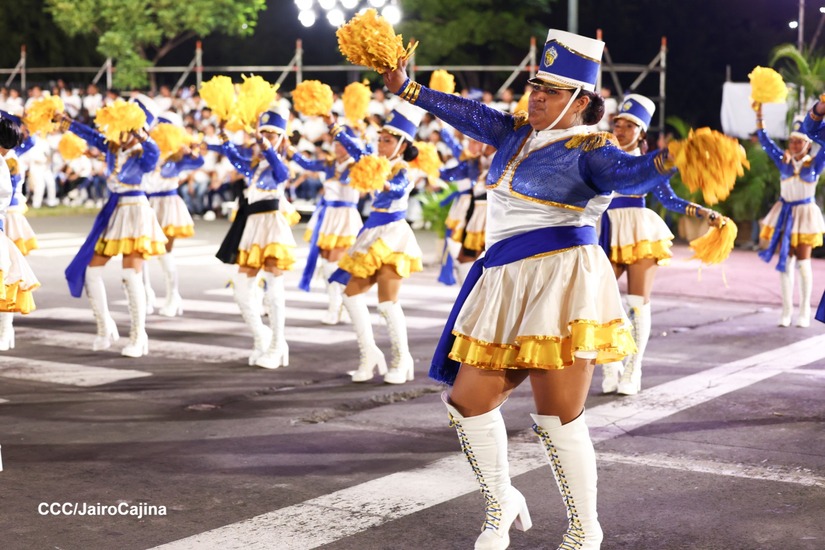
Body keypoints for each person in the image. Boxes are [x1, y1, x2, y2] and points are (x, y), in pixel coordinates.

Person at [383, 29, 707, 549]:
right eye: (535, 87)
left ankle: (584, 528)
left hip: (561, 284)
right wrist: (407, 87)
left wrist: (672, 160)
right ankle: (501, 501)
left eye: (550, 91)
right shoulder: (513, 131)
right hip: (503, 281)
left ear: (580, 102)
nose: (535, 97)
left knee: (558, 416)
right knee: (467, 402)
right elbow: (466, 112)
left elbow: (632, 174)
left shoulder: (593, 148)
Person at [599, 94, 723, 395]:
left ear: (641, 132)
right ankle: (611, 364)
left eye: (629, 126)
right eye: (618, 124)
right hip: (605, 228)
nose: (621, 130)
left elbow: (669, 199)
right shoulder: (601, 155)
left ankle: (634, 368)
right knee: (602, 300)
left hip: (639, 231)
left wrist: (703, 212)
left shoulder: (651, 163)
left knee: (637, 303)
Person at [62, 95, 166, 358]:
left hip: (136, 212)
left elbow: (154, 155)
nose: (120, 131)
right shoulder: (112, 146)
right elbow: (91, 135)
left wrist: (141, 134)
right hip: (115, 211)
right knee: (91, 272)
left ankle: (138, 335)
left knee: (131, 275)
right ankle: (104, 327)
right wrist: (68, 123)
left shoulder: (143, 152)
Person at [329, 102, 424, 384]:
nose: (381, 145)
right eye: (380, 139)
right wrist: (333, 125)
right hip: (372, 232)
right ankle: (369, 354)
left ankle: (402, 359)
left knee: (387, 303)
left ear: (402, 146)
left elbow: (397, 189)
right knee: (350, 295)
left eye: (387, 141)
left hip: (393, 237)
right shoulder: (376, 161)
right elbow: (356, 150)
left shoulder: (403, 170)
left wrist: (382, 181)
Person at [214, 108, 295, 370]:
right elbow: (233, 156)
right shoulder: (254, 166)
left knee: (274, 287)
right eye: (263, 133)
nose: (266, 138)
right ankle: (262, 336)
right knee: (241, 289)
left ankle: (277, 345)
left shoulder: (279, 164)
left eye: (272, 134)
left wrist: (263, 144)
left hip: (272, 224)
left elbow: (281, 171)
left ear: (282, 138)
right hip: (251, 226)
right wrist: (222, 132)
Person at [757, 103, 825, 328]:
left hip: (805, 215)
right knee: (785, 262)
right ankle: (786, 310)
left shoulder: (815, 163)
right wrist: (759, 115)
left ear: (808, 144)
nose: (795, 145)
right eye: (792, 141)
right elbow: (766, 143)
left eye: (799, 141)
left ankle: (804, 311)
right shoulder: (783, 160)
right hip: (785, 213)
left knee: (803, 264)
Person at [291, 116, 363, 325]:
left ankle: (345, 305)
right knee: (326, 263)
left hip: (346, 217)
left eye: (342, 143)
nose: (338, 147)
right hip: (328, 216)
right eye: (336, 143)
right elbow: (306, 163)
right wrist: (289, 150)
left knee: (340, 263)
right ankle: (334, 305)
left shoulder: (358, 165)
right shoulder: (329, 163)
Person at [143, 111, 204, 317]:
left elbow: (198, 162)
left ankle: (173, 297)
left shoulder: (179, 157)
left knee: (165, 253)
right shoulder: (149, 153)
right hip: (148, 203)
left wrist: (191, 151)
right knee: (141, 252)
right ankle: (146, 295)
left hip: (168, 204)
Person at [0, 115, 40, 350]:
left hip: (9, 217)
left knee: (8, 279)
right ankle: (6, 331)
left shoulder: (7, 162)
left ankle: (6, 331)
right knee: (7, 278)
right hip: (5, 219)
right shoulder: (7, 159)